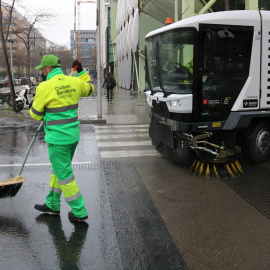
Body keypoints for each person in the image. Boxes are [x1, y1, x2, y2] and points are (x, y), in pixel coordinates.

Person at [29, 54, 95, 222]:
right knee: (58, 170)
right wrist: (80, 72)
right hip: (73, 137)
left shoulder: (44, 87)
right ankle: (52, 203)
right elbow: (90, 88)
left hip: (58, 140)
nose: (42, 72)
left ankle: (79, 211)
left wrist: (33, 107)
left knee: (64, 174)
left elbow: (35, 115)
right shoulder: (74, 81)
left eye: (43, 69)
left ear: (48, 68)